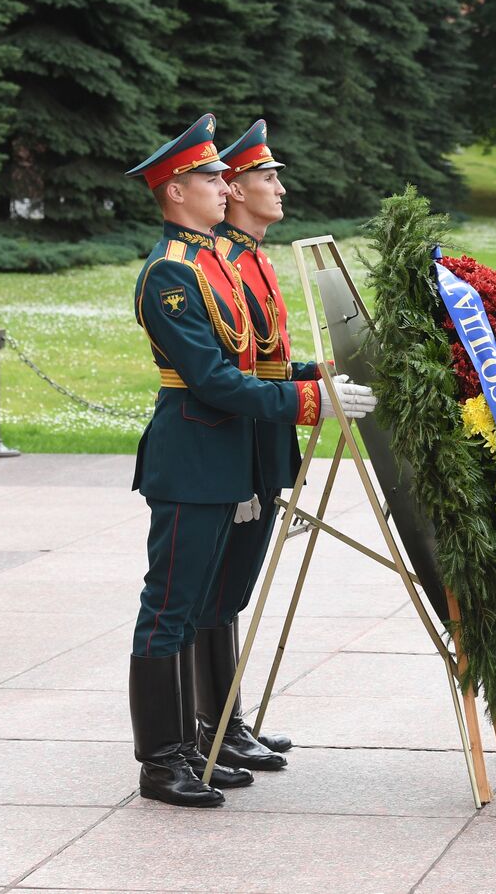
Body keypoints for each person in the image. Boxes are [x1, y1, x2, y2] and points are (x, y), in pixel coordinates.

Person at [125, 114, 376, 807]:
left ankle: (203, 739)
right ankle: (163, 761)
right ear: (176, 192)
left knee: (207, 601)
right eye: (209, 177)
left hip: (226, 453)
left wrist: (313, 376)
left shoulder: (214, 267)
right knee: (169, 609)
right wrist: (307, 405)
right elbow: (210, 380)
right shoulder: (170, 276)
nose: (222, 185)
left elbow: (253, 360)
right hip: (193, 457)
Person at [191, 119, 318, 773]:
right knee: (219, 592)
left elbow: (268, 365)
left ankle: (227, 722)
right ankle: (212, 728)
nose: (278, 187)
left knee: (232, 591)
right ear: (235, 190)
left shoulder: (255, 257)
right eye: (266, 177)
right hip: (242, 448)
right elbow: (231, 377)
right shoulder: (229, 263)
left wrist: (318, 376)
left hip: (266, 444)